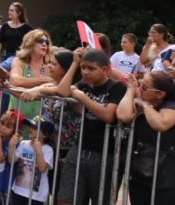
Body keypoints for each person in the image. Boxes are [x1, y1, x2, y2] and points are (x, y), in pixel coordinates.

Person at [55, 48, 126, 205]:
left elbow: (108, 115)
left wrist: (82, 97)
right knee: (65, 199)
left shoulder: (117, 88)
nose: (86, 72)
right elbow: (62, 91)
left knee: (101, 200)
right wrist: (74, 63)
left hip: (105, 154)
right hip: (79, 149)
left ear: (105, 69)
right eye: (83, 67)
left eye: (91, 68)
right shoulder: (83, 85)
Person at [116, 70, 175, 204]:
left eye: (144, 87)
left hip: (165, 176)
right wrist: (131, 89)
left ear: (160, 94)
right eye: (140, 83)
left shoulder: (171, 105)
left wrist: (145, 105)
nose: (139, 88)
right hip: (140, 171)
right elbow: (123, 115)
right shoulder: (142, 97)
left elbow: (161, 124)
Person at [9, 116, 55, 205]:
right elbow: (11, 160)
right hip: (18, 191)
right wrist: (11, 146)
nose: (31, 129)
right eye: (30, 126)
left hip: (36, 196)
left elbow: (42, 169)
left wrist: (38, 151)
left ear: (45, 135)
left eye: (35, 128)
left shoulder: (48, 149)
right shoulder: (23, 144)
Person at [0, 111, 19, 205]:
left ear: (15, 130)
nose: (3, 127)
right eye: (2, 123)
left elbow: (0, 158)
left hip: (7, 185)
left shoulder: (13, 143)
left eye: (8, 126)